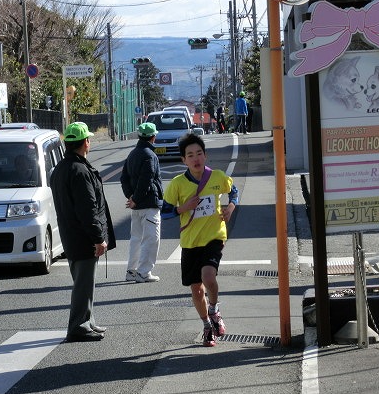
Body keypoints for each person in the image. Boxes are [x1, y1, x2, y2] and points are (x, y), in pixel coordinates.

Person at [163, 133, 239, 347]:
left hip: (214, 236)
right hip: (190, 242)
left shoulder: (217, 177)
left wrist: (231, 207)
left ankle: (214, 309)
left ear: (205, 156)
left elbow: (234, 191)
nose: (195, 158)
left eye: (199, 153)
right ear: (183, 160)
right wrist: (183, 208)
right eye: (190, 155)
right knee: (196, 289)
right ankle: (207, 325)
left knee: (208, 277)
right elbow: (165, 212)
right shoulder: (177, 184)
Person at [50, 122, 116, 342]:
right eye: (88, 139)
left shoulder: (61, 168)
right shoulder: (79, 170)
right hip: (83, 237)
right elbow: (88, 209)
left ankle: (88, 321)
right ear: (85, 142)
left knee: (85, 282)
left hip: (71, 235)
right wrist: (98, 238)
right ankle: (79, 325)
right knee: (83, 283)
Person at [120, 122, 163, 283]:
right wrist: (136, 199)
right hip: (149, 203)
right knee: (151, 238)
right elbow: (147, 180)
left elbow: (123, 177)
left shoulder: (132, 154)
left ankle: (131, 271)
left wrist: (131, 197)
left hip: (136, 206)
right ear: (153, 137)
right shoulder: (150, 155)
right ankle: (144, 272)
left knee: (136, 239)